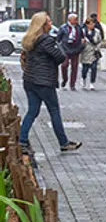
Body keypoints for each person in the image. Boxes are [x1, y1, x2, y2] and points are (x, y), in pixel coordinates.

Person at [18, 12, 82, 154]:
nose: (51, 23)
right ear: (42, 25)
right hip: (44, 82)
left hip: (29, 80)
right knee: (54, 111)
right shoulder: (46, 40)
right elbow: (60, 57)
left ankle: (21, 140)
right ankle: (63, 142)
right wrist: (58, 44)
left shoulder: (30, 39)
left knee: (32, 111)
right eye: (48, 21)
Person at [56, 13, 84, 91]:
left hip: (76, 49)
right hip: (65, 49)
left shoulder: (79, 28)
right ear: (69, 20)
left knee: (75, 67)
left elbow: (82, 37)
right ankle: (65, 79)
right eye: (75, 19)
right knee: (64, 65)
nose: (76, 21)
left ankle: (72, 84)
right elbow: (58, 39)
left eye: (76, 19)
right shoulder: (63, 28)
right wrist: (59, 47)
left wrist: (81, 44)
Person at [79, 17, 104, 91]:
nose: (92, 25)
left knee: (94, 67)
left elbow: (100, 41)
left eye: (93, 24)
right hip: (86, 52)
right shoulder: (83, 32)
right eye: (90, 24)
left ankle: (92, 82)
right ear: (87, 25)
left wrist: (97, 48)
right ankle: (83, 79)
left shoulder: (97, 31)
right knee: (85, 68)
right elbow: (79, 40)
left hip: (94, 52)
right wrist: (82, 42)